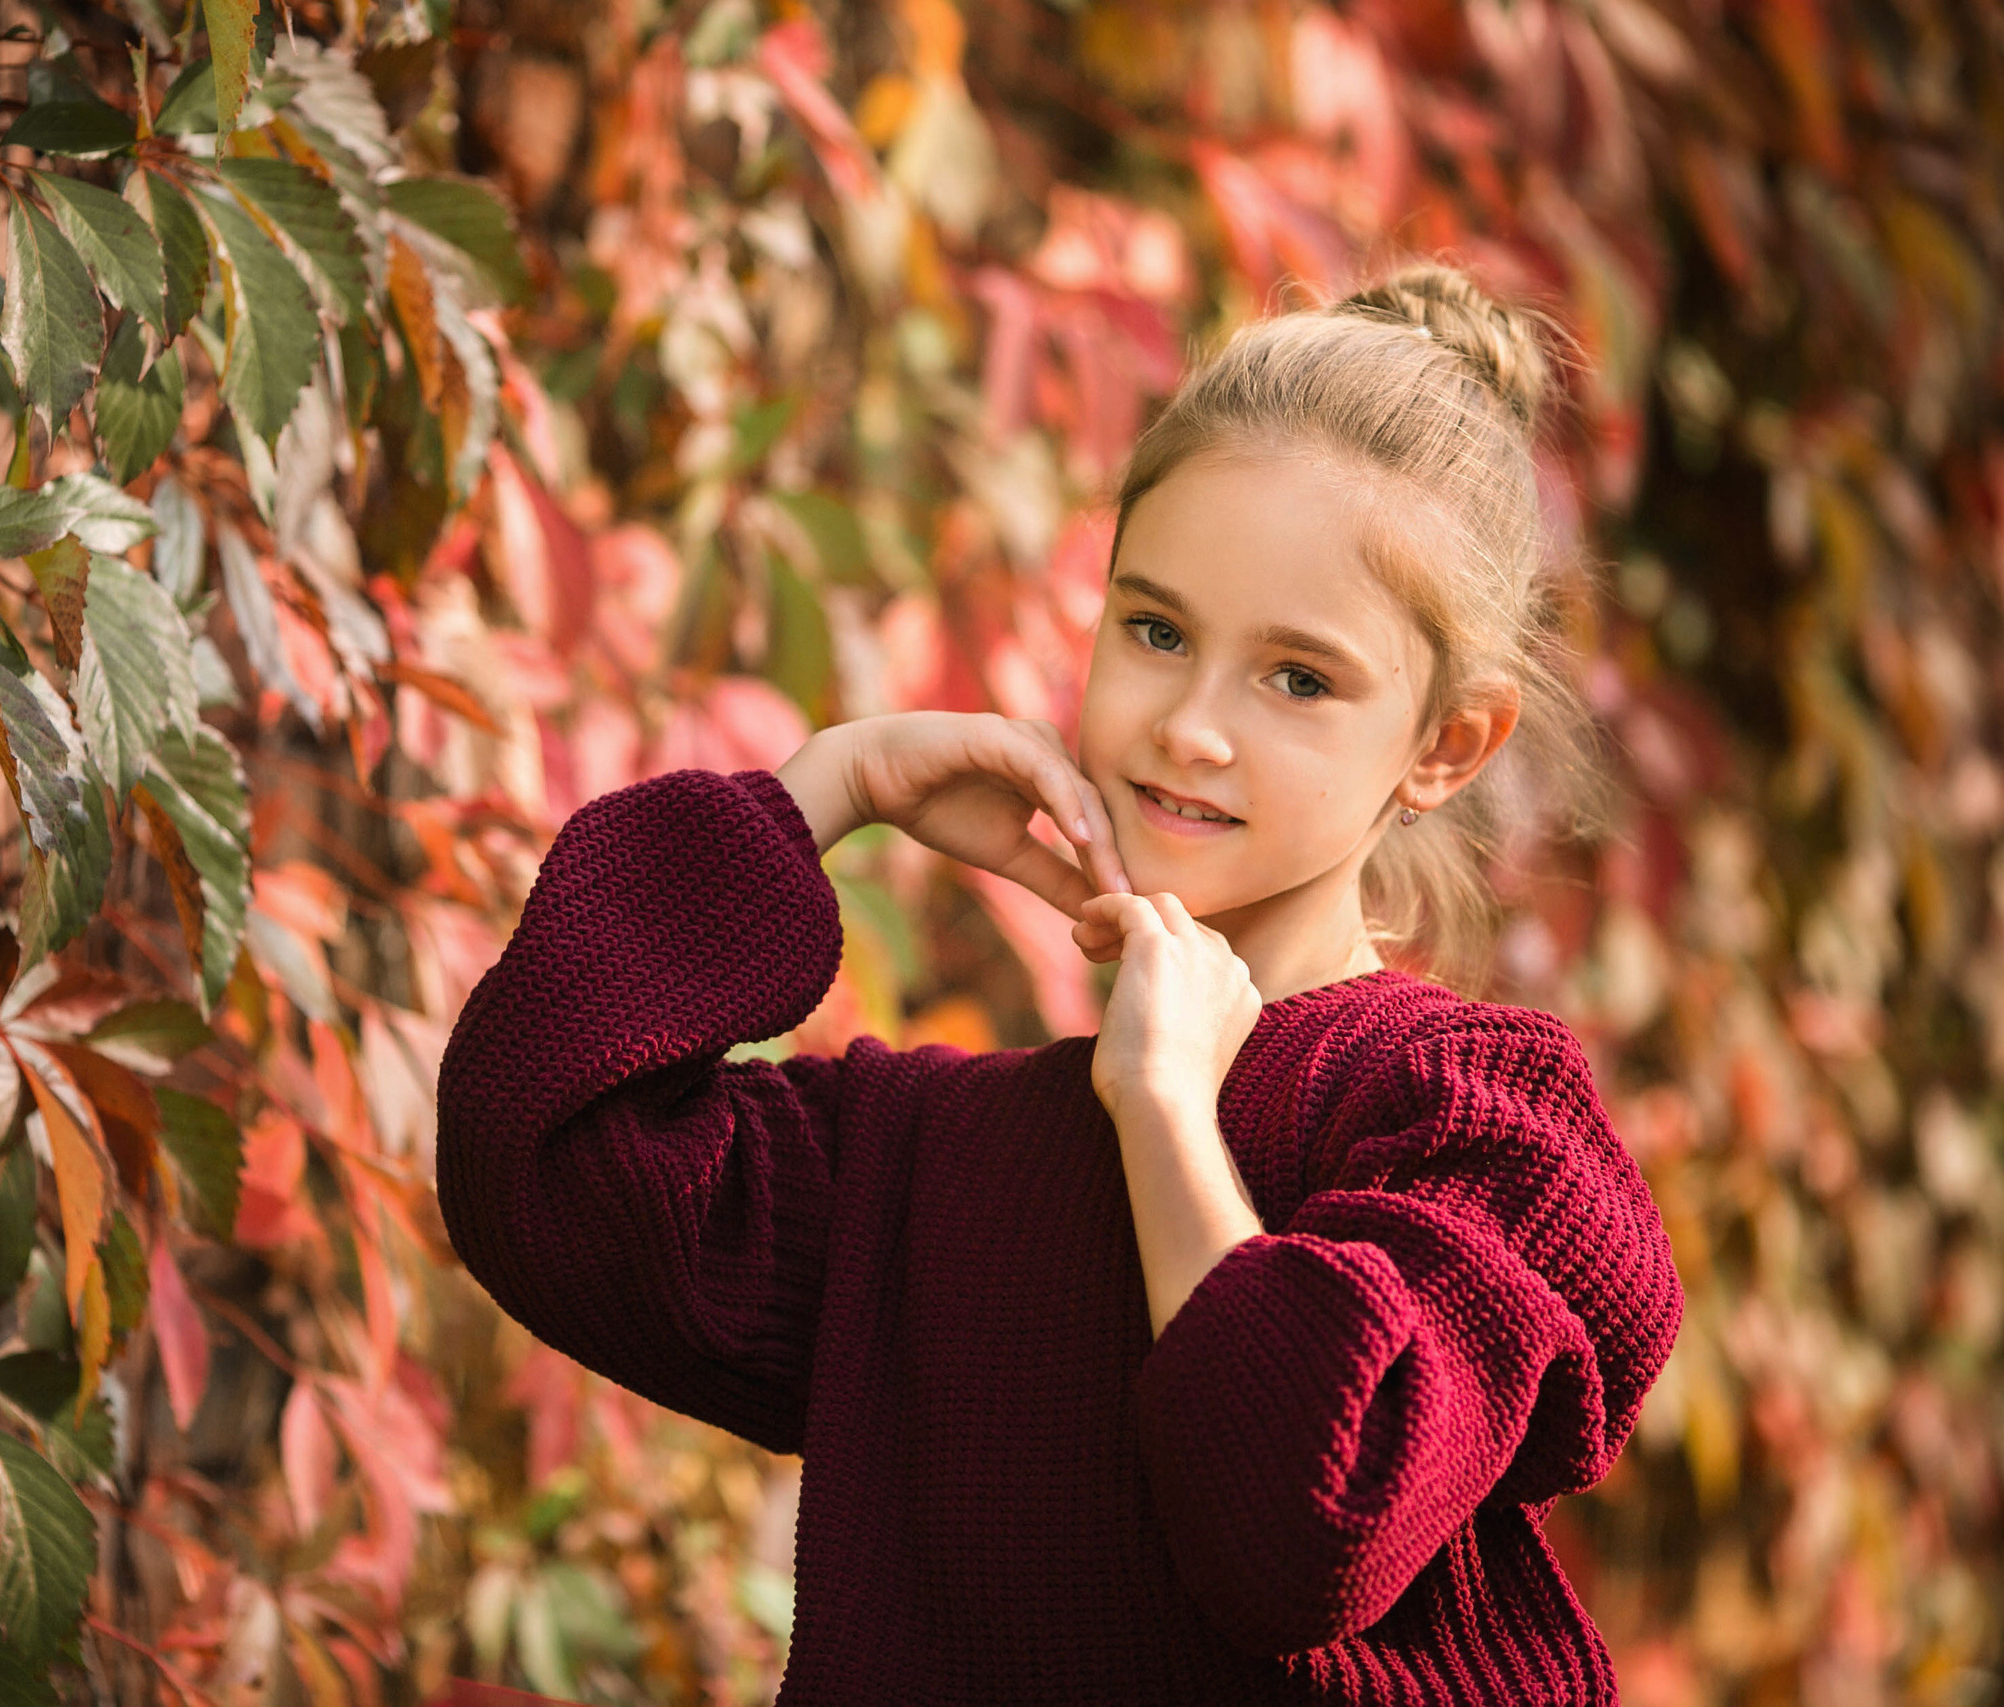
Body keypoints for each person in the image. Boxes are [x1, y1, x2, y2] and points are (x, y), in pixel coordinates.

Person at [435, 263, 1685, 1704]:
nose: (1192, 728)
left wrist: (1166, 1108)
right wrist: (828, 786)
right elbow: (537, 1158)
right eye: (1156, 630)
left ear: (1447, 747)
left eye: (1298, 680)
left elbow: (1301, 1525)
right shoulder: (925, 1163)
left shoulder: (1481, 1128)